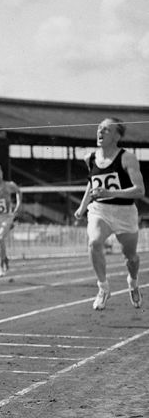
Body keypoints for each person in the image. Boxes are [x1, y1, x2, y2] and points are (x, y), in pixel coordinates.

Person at [74, 118, 144, 310]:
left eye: (106, 130)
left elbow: (140, 190)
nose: (100, 132)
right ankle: (103, 288)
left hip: (125, 212)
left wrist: (109, 192)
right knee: (94, 242)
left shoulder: (127, 158)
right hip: (100, 210)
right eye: (99, 128)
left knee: (131, 258)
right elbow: (92, 183)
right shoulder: (89, 158)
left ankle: (133, 282)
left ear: (117, 136)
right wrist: (82, 207)